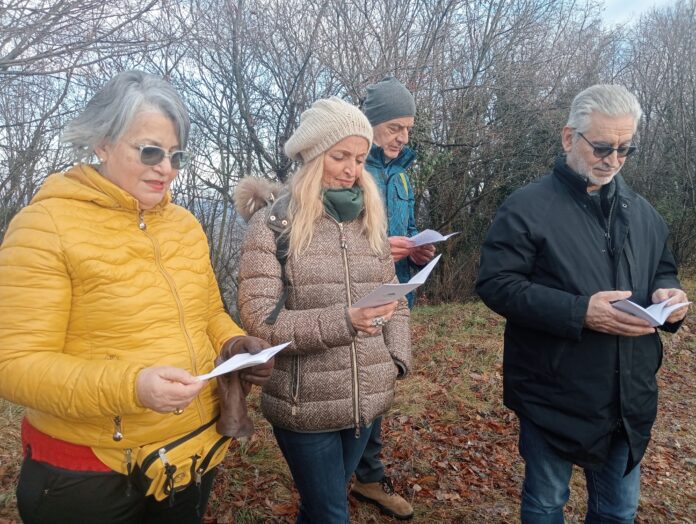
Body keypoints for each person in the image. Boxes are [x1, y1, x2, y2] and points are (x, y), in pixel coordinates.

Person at [0, 71, 274, 524]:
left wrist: (234, 344)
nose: (165, 168)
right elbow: (13, 364)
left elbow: (206, 311)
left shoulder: (184, 224)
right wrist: (132, 387)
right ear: (103, 144)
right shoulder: (44, 226)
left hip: (189, 454)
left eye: (175, 155)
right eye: (149, 151)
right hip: (90, 474)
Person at [476, 84, 689, 523]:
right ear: (569, 138)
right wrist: (579, 311)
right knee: (546, 503)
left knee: (618, 511)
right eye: (603, 147)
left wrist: (670, 296)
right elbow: (496, 284)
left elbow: (662, 269)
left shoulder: (643, 211)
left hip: (628, 395)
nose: (612, 159)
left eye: (625, 148)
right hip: (551, 389)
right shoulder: (526, 207)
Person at [235, 96, 411, 523]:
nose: (352, 169)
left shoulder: (370, 219)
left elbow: (396, 299)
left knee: (320, 508)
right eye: (340, 156)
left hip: (366, 397)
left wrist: (397, 360)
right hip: (302, 403)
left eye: (359, 157)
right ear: (314, 156)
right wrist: (345, 321)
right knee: (332, 512)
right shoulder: (273, 226)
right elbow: (260, 321)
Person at [350, 76, 435, 520]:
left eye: (408, 129)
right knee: (352, 385)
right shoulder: (349, 170)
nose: (403, 138)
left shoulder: (402, 173)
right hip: (353, 301)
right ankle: (343, 473)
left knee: (380, 386)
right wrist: (382, 249)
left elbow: (406, 227)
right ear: (371, 124)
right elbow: (329, 243)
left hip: (394, 296)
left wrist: (418, 249)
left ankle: (366, 474)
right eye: (395, 128)